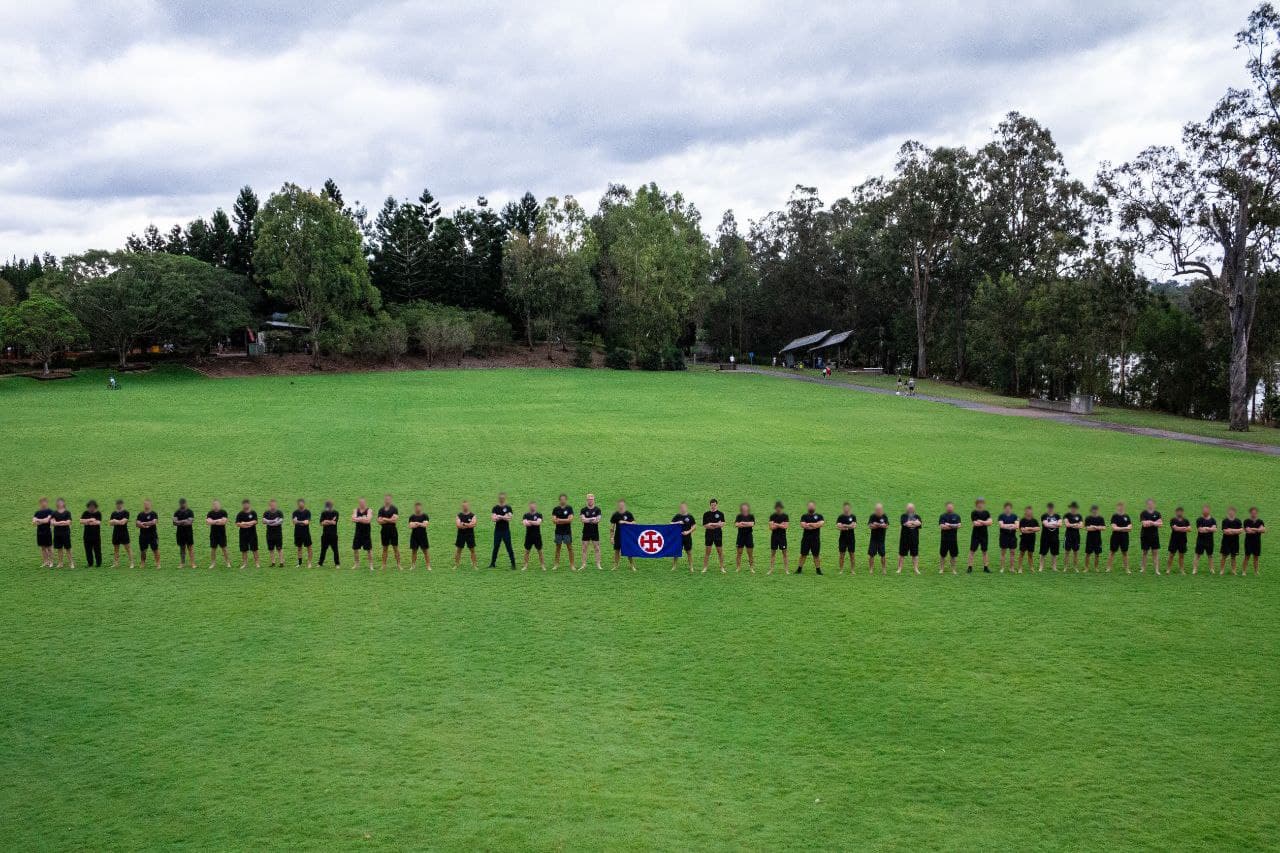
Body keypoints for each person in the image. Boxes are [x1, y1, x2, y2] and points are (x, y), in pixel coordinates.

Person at [488, 493, 516, 569]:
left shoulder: (508, 507)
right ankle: (492, 563)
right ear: (499, 499)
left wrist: (499, 516)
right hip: (497, 531)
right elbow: (493, 518)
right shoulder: (495, 508)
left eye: (503, 498)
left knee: (509, 547)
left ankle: (513, 564)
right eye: (500, 498)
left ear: (505, 499)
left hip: (506, 531)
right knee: (496, 547)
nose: (501, 499)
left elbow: (509, 518)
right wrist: (504, 517)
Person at [796, 502, 824, 574]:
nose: (811, 507)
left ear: (815, 507)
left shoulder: (819, 516)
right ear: (807, 507)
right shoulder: (804, 516)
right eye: (810, 506)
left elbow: (820, 524)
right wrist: (814, 525)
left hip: (815, 539)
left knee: (816, 555)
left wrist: (810, 524)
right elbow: (803, 525)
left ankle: (818, 570)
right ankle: (799, 569)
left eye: (812, 506)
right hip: (806, 539)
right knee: (803, 554)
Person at [967, 498, 992, 573]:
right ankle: (970, 567)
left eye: (982, 503)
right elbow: (975, 523)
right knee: (972, 550)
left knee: (985, 551)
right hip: (975, 534)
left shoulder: (987, 512)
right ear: (976, 504)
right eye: (979, 503)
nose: (980, 504)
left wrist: (981, 521)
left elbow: (990, 522)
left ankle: (986, 567)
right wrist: (985, 522)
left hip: (984, 534)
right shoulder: (974, 512)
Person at [579, 494, 604, 571]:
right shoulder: (583, 510)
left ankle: (598, 564)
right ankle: (583, 564)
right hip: (586, 531)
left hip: (595, 532)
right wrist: (592, 518)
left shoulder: (597, 510)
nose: (590, 500)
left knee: (597, 548)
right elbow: (582, 520)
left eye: (591, 499)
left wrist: (588, 519)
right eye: (589, 499)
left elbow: (597, 520)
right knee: (584, 548)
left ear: (594, 500)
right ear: (587, 500)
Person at [702, 498, 727, 573]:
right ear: (710, 505)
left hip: (718, 534)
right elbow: (705, 525)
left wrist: (712, 524)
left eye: (715, 505)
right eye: (712, 505)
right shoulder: (706, 514)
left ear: (717, 505)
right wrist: (717, 524)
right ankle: (705, 567)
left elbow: (722, 524)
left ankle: (722, 567)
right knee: (707, 552)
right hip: (709, 535)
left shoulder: (720, 514)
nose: (713, 506)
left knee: (720, 551)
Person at [1107, 502, 1133, 574]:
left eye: (1122, 506)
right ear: (1117, 507)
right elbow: (1114, 528)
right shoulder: (1114, 516)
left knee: (1125, 552)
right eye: (1119, 507)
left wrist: (1120, 528)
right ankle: (1108, 568)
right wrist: (1125, 528)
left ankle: (1127, 569)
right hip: (1115, 536)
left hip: (1124, 537)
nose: (1120, 508)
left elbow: (1130, 528)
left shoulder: (1126, 516)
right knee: (1112, 552)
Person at [1139, 498, 1163, 574]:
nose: (1150, 505)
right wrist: (1154, 523)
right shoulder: (1143, 513)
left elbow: (1160, 524)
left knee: (1155, 552)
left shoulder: (1158, 513)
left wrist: (1150, 522)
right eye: (1149, 504)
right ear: (1147, 505)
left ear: (1154, 504)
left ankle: (1157, 570)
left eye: (1151, 503)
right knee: (1145, 552)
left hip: (1154, 536)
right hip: (1145, 536)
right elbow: (1144, 524)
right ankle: (1143, 569)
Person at [610, 500, 636, 571]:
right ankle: (615, 566)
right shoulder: (615, 515)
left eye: (622, 505)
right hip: (618, 536)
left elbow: (634, 523)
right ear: (618, 505)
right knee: (617, 550)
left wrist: (624, 522)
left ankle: (632, 565)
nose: (621, 506)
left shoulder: (628, 514)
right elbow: (612, 527)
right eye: (620, 505)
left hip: (627, 536)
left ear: (624, 505)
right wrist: (611, 537)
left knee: (629, 551)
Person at [897, 503, 922, 575]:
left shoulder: (917, 516)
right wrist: (915, 522)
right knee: (902, 554)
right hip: (904, 539)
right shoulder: (903, 516)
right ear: (906, 509)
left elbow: (919, 523)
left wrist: (910, 523)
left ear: (914, 509)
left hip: (914, 539)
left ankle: (916, 569)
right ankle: (899, 568)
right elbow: (906, 524)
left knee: (915, 555)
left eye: (911, 508)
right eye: (909, 508)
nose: (910, 509)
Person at [377, 494, 401, 570]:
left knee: (395, 548)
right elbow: (379, 521)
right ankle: (383, 565)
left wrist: (385, 519)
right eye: (386, 499)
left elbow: (395, 520)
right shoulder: (381, 510)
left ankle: (399, 565)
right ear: (384, 500)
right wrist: (389, 520)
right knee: (385, 548)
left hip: (393, 531)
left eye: (389, 499)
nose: (387, 500)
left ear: (391, 500)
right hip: (384, 531)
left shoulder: (394, 509)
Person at [551, 495, 575, 570]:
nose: (563, 501)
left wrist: (560, 520)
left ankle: (572, 565)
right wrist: (565, 520)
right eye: (561, 499)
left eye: (564, 499)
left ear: (566, 500)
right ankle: (556, 564)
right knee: (558, 548)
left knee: (570, 548)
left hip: (567, 532)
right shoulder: (556, 509)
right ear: (559, 500)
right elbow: (554, 521)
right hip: (558, 532)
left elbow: (570, 520)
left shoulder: (569, 508)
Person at [672, 503, 696, 572]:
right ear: (680, 508)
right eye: (681, 507)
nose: (683, 508)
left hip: (687, 537)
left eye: (684, 507)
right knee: (676, 552)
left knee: (689, 552)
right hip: (678, 537)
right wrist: (678, 522)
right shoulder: (677, 516)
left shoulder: (690, 517)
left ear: (686, 508)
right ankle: (674, 566)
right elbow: (670, 523)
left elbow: (694, 526)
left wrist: (688, 532)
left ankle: (691, 567)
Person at [938, 502, 961, 575]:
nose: (949, 508)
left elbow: (959, 525)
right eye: (948, 507)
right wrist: (954, 526)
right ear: (946, 507)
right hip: (944, 539)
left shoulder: (957, 516)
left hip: (953, 539)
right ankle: (941, 569)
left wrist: (949, 525)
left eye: (951, 507)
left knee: (953, 555)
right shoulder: (942, 516)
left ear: (953, 507)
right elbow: (942, 526)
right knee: (942, 555)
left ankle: (953, 570)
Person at [1192, 505, 1216, 575]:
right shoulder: (1199, 519)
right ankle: (1194, 569)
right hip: (1200, 540)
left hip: (1210, 541)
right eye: (1204, 510)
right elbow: (1200, 530)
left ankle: (1212, 569)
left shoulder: (1213, 520)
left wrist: (1206, 528)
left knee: (1210, 555)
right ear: (1203, 511)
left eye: (1207, 510)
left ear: (1209, 511)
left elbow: (1214, 529)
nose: (1205, 511)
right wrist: (1210, 529)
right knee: (1197, 555)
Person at [1166, 507, 1191, 575]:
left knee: (1181, 556)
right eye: (1178, 511)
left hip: (1183, 541)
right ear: (1176, 512)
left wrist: (1180, 528)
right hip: (1174, 540)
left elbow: (1189, 529)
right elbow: (1175, 528)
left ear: (1182, 512)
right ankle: (1168, 569)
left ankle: (1182, 570)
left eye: (1181, 511)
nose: (1179, 513)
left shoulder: (1186, 520)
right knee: (1171, 555)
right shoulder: (1173, 520)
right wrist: (1184, 528)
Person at [1219, 506, 1244, 576]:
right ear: (1228, 512)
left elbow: (1241, 530)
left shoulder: (1238, 521)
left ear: (1235, 512)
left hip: (1235, 542)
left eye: (1233, 511)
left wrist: (1231, 530)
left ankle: (1233, 570)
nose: (1231, 513)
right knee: (1224, 556)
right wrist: (1235, 531)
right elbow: (1225, 531)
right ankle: (1222, 570)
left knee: (1234, 556)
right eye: (1230, 511)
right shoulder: (1225, 521)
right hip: (1226, 541)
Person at [109, 499, 133, 568]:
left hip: (124, 533)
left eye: (119, 504)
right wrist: (116, 521)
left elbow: (123, 522)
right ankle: (116, 563)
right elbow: (110, 523)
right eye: (117, 504)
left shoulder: (126, 512)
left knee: (128, 548)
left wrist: (115, 521)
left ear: (122, 505)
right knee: (116, 549)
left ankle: (131, 563)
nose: (118, 505)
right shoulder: (113, 513)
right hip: (116, 533)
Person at [236, 499, 260, 569]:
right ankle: (244, 564)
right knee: (244, 549)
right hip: (243, 534)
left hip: (252, 534)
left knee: (255, 549)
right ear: (242, 505)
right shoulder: (240, 514)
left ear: (249, 504)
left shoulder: (253, 513)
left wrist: (244, 523)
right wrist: (248, 524)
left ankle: (257, 563)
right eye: (244, 504)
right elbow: (237, 524)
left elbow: (255, 522)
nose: (245, 505)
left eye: (247, 504)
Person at [206, 499, 231, 568]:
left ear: (219, 505)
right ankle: (213, 563)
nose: (215, 506)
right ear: (212, 505)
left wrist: (213, 521)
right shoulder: (210, 513)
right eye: (214, 504)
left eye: (217, 504)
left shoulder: (223, 512)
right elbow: (208, 522)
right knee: (213, 549)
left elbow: (223, 522)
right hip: (213, 534)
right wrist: (218, 520)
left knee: (224, 548)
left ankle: (228, 562)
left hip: (222, 534)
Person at [136, 499, 160, 568]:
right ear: (144, 505)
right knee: (143, 550)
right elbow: (137, 524)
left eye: (148, 504)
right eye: (145, 504)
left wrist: (144, 523)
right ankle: (143, 563)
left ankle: (158, 563)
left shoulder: (154, 513)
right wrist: (141, 525)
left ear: (150, 505)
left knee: (155, 549)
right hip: (143, 535)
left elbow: (154, 522)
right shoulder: (140, 514)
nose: (146, 505)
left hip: (153, 535)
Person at [50, 498, 74, 568]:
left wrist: (58, 523)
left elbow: (69, 522)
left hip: (66, 533)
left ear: (64, 503)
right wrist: (62, 522)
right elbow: (52, 523)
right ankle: (60, 563)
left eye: (61, 502)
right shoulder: (54, 513)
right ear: (57, 504)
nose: (60, 504)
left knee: (68, 548)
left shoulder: (67, 512)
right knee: (59, 548)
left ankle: (71, 563)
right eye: (59, 502)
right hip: (57, 533)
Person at [1038, 502, 1062, 573]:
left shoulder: (1057, 516)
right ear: (1047, 508)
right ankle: (1041, 567)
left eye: (1051, 507)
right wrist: (1055, 524)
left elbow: (1060, 524)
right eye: (1049, 507)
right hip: (1045, 537)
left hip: (1055, 537)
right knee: (1043, 553)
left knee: (1054, 553)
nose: (1050, 509)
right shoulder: (1044, 516)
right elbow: (1046, 525)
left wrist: (1051, 524)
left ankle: (1054, 567)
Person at [454, 501, 478, 569]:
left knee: (472, 550)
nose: (465, 507)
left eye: (466, 506)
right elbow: (458, 525)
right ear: (462, 507)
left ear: (468, 506)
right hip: (461, 535)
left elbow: (473, 524)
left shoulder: (473, 515)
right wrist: (468, 524)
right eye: (464, 506)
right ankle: (456, 565)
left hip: (470, 535)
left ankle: (474, 565)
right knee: (458, 550)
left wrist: (464, 524)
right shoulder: (459, 515)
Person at [351, 498, 374, 570]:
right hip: (358, 533)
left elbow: (368, 520)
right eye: (360, 502)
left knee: (369, 549)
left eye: (363, 502)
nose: (362, 504)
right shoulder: (355, 510)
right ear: (359, 503)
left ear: (365, 503)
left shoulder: (369, 510)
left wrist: (358, 519)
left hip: (366, 533)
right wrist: (362, 518)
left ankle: (371, 565)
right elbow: (353, 519)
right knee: (355, 548)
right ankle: (356, 564)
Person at [173, 498, 196, 569]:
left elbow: (189, 522)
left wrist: (180, 522)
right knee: (182, 548)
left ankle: (192, 563)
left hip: (188, 533)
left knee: (190, 548)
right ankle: (182, 563)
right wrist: (184, 521)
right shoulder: (176, 512)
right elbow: (174, 522)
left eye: (183, 504)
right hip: (180, 533)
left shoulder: (190, 512)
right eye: (181, 504)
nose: (182, 505)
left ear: (185, 503)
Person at [768, 501, 790, 575]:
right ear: (775, 508)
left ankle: (786, 570)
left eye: (779, 507)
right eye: (777, 507)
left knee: (785, 553)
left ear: (781, 508)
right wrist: (781, 525)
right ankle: (771, 569)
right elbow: (771, 527)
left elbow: (785, 526)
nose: (778, 509)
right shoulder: (772, 516)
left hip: (782, 537)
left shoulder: (785, 516)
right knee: (773, 553)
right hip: (774, 537)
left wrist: (776, 524)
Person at [866, 503, 889, 574]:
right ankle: (871, 569)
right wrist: (876, 525)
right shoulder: (872, 516)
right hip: (873, 539)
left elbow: (887, 525)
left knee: (883, 554)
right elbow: (870, 526)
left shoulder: (884, 516)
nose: (878, 510)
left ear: (882, 509)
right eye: (877, 509)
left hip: (881, 539)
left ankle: (884, 569)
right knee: (871, 554)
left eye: (879, 509)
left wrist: (879, 525)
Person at [1082, 505, 1105, 572]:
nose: (1094, 511)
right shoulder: (1088, 518)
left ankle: (1096, 568)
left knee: (1097, 554)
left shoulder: (1101, 518)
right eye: (1093, 510)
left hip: (1098, 539)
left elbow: (1104, 528)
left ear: (1097, 510)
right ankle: (1086, 568)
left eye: (1096, 509)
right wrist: (1098, 528)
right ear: (1091, 510)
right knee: (1088, 554)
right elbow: (1087, 528)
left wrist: (1094, 527)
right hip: (1090, 539)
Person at [996, 502, 1018, 572]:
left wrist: (1007, 526)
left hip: (1012, 537)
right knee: (1003, 553)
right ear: (1004, 509)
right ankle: (1002, 568)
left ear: (1011, 509)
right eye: (1006, 508)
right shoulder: (1001, 516)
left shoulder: (1015, 516)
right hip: (1004, 537)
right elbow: (1001, 526)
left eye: (1009, 508)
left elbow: (1017, 526)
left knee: (1012, 552)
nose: (1008, 509)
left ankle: (1012, 568)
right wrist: (1011, 525)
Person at [80, 499, 103, 568]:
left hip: (96, 536)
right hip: (87, 535)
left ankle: (98, 563)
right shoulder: (85, 513)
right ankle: (90, 563)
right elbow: (81, 521)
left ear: (95, 506)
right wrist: (90, 520)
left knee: (97, 550)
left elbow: (98, 522)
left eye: (93, 506)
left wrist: (87, 522)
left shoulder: (98, 513)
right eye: (90, 507)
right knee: (88, 550)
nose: (91, 508)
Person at [835, 503, 858, 574]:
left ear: (850, 508)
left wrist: (844, 525)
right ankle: (841, 570)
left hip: (851, 539)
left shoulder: (853, 516)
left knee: (852, 555)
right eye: (845, 508)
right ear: (843, 509)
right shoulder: (840, 517)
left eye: (848, 508)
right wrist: (848, 526)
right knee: (842, 555)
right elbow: (838, 526)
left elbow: (854, 526)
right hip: (842, 539)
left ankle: (852, 570)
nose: (846, 509)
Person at [263, 499, 286, 567]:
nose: (273, 506)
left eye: (274, 505)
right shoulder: (266, 513)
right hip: (269, 534)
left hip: (278, 534)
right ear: (269, 505)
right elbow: (263, 521)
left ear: (276, 505)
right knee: (271, 549)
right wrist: (274, 521)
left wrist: (269, 522)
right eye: (271, 505)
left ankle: (281, 562)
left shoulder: (279, 512)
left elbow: (280, 521)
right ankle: (273, 562)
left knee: (279, 548)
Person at [407, 502, 430, 570]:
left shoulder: (425, 516)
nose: (418, 508)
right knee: (414, 551)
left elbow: (425, 525)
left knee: (425, 551)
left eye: (419, 507)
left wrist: (417, 523)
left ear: (421, 507)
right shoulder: (412, 516)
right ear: (415, 508)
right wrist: (420, 524)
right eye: (416, 507)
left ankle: (428, 566)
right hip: (414, 536)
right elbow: (410, 526)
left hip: (423, 536)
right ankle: (413, 565)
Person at [1243, 506, 1265, 576]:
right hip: (1248, 542)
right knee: (1247, 556)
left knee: (1256, 557)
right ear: (1250, 513)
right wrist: (1257, 529)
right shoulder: (1246, 521)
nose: (1254, 514)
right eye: (1252, 513)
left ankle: (1256, 571)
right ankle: (1244, 571)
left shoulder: (1260, 521)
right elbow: (1248, 531)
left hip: (1257, 542)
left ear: (1257, 513)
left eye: (1255, 513)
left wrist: (1253, 529)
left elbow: (1263, 530)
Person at [32, 497, 54, 568]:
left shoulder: (50, 511)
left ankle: (51, 562)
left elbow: (47, 521)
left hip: (47, 531)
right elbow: (34, 523)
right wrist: (41, 521)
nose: (43, 504)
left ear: (46, 503)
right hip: (40, 532)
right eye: (41, 502)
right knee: (43, 548)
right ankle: (45, 562)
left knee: (49, 548)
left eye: (44, 502)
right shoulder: (37, 512)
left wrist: (38, 520)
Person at [522, 502, 544, 570]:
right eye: (531, 506)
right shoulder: (525, 515)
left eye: (533, 506)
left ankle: (542, 565)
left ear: (535, 506)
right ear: (529, 507)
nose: (532, 507)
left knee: (540, 551)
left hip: (537, 536)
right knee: (527, 551)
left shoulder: (539, 514)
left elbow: (538, 523)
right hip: (528, 536)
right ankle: (525, 566)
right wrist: (532, 522)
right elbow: (525, 523)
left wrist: (530, 521)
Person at [734, 503, 755, 573]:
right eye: (743, 508)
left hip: (748, 536)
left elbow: (752, 524)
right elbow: (736, 524)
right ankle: (738, 567)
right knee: (739, 553)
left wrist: (743, 523)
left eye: (746, 508)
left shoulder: (751, 516)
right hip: (740, 536)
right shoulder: (739, 516)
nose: (744, 509)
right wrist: (746, 524)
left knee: (750, 553)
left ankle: (751, 568)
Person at [318, 501, 340, 567]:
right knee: (323, 550)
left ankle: (337, 564)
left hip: (333, 535)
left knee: (335, 550)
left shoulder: (336, 513)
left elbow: (334, 523)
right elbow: (321, 523)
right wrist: (330, 521)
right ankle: (320, 563)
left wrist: (326, 521)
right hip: (325, 534)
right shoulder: (323, 513)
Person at [1063, 502, 1084, 572]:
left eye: (1074, 507)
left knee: (1076, 552)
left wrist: (1072, 525)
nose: (1073, 509)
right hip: (1068, 536)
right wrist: (1075, 524)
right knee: (1067, 552)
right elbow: (1067, 525)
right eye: (1072, 507)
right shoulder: (1066, 515)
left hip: (1076, 536)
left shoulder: (1079, 516)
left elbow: (1081, 526)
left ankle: (1075, 567)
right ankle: (1065, 567)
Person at [292, 499, 313, 568]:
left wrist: (298, 521)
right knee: (299, 548)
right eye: (299, 504)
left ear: (304, 504)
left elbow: (307, 522)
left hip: (306, 533)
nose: (300, 505)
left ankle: (309, 563)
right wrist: (302, 522)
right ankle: (299, 563)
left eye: (301, 503)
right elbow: (294, 522)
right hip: (297, 533)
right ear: (298, 504)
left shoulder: (307, 512)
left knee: (309, 547)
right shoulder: (295, 512)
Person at [1017, 506, 1039, 574]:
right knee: (1022, 553)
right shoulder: (1022, 520)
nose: (1029, 512)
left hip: (1031, 540)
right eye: (1028, 511)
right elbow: (1022, 530)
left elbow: (1038, 529)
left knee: (1030, 554)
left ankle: (1031, 568)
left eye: (1030, 511)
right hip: (1024, 540)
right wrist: (1032, 530)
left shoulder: (1034, 520)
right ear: (1025, 512)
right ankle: (1020, 568)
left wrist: (1029, 528)